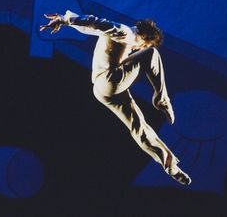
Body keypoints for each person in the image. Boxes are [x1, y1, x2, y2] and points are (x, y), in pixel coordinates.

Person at [40, 10, 191, 185]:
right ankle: (162, 100)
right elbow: (95, 22)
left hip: (103, 90)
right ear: (144, 38)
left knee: (139, 126)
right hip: (108, 81)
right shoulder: (125, 32)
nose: (139, 49)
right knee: (152, 55)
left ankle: (170, 166)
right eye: (144, 45)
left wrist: (68, 21)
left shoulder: (126, 39)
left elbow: (91, 29)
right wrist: (65, 20)